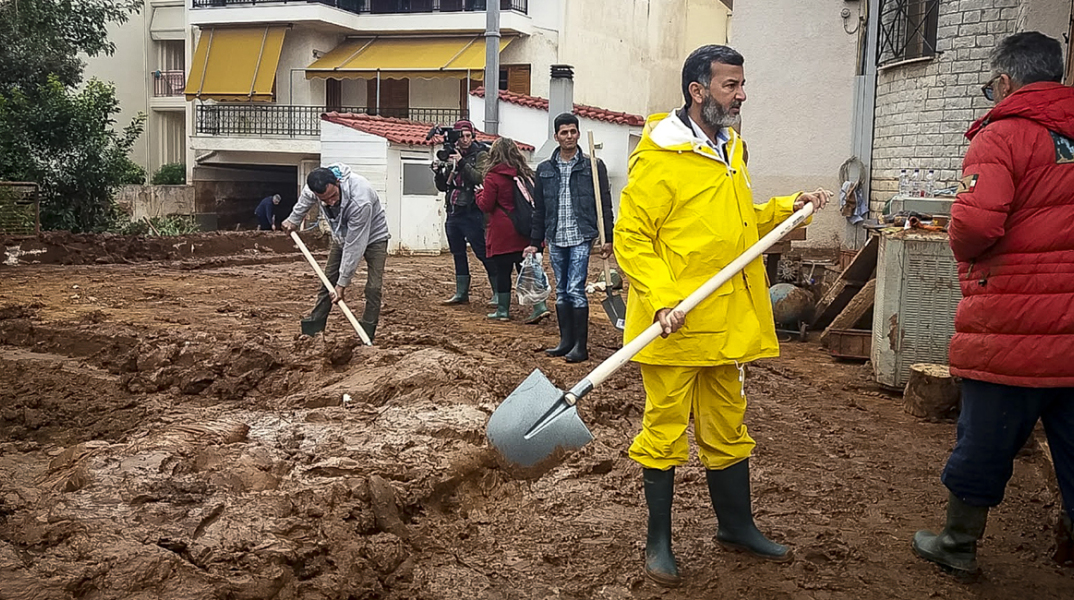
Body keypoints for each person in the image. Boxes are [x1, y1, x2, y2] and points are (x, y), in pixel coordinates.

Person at [614, 45, 830, 587]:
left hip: (726, 323)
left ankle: (737, 526)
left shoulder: (732, 148)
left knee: (729, 427)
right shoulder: (661, 157)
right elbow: (631, 237)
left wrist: (787, 208)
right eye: (731, 85)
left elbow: (737, 223)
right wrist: (663, 297)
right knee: (664, 431)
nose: (741, 94)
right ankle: (657, 542)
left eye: (741, 83)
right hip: (675, 324)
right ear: (698, 91)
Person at [912, 32, 1074, 576]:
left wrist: (959, 235)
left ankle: (958, 544)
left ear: (1005, 82)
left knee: (984, 440)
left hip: (1014, 324)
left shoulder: (1002, 134)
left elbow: (978, 223)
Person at [524, 113, 613, 363]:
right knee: (562, 290)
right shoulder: (544, 170)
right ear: (556, 137)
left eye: (573, 131)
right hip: (555, 236)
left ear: (578, 133)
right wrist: (534, 241)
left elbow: (604, 202)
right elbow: (539, 209)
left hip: (581, 235)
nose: (569, 136)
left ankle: (580, 347)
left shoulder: (593, 166)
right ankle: (565, 342)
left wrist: (609, 236)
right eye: (564, 132)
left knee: (576, 289)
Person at [282, 164, 390, 342]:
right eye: (325, 199)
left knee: (373, 287)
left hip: (374, 238)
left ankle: (366, 332)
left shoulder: (360, 199)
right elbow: (306, 200)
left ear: (338, 182)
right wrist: (293, 219)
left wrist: (343, 284)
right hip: (342, 236)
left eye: (333, 196)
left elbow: (355, 246)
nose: (331, 202)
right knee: (327, 282)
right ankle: (314, 327)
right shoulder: (315, 187)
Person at [476, 137, 551, 323]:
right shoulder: (526, 174)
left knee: (503, 271)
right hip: (527, 230)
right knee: (528, 269)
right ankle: (539, 306)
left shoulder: (493, 176)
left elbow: (486, 205)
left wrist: (478, 193)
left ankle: (503, 310)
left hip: (504, 231)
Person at [433, 119, 496, 306]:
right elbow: (444, 187)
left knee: (482, 251)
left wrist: (460, 163)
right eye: (461, 136)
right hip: (453, 210)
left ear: (473, 136)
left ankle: (498, 292)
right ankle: (461, 292)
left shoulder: (481, 154)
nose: (465, 140)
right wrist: (438, 172)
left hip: (473, 211)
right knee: (457, 252)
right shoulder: (450, 154)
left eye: (468, 136)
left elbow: (479, 177)